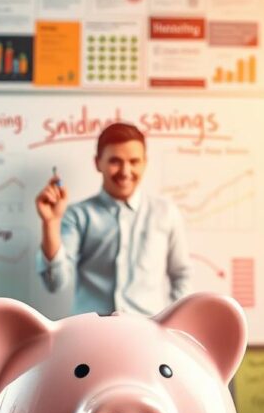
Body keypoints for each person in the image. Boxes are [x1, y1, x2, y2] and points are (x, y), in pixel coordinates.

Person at [35, 122, 192, 316]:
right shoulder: (77, 215)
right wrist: (50, 222)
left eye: (134, 161)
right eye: (115, 161)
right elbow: (54, 283)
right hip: (92, 333)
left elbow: (182, 275)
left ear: (145, 163)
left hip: (149, 335)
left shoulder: (166, 212)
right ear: (98, 163)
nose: (125, 171)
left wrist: (171, 321)